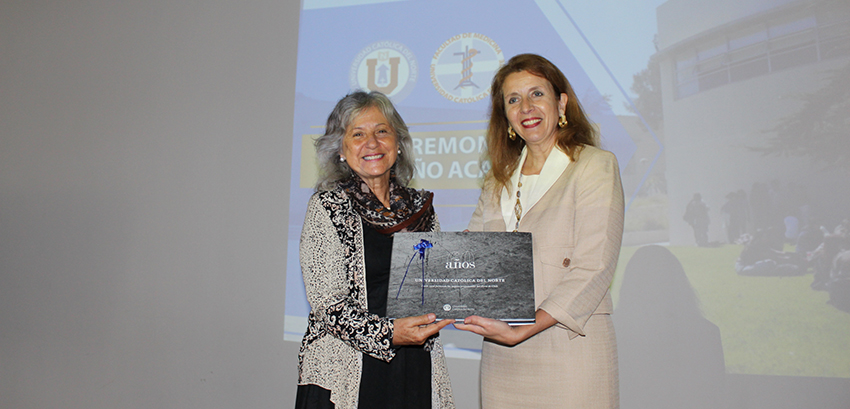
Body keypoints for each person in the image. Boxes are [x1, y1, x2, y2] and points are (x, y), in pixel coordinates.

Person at [454, 53, 624, 408]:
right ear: (505, 116)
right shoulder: (496, 180)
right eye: (513, 100)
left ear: (561, 103)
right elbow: (473, 254)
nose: (526, 107)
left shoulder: (594, 165)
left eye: (537, 94)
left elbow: (595, 266)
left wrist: (524, 328)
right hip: (503, 358)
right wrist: (435, 276)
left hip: (570, 347)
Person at [295, 91, 455, 409]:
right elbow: (328, 306)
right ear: (341, 149)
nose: (372, 143)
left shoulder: (421, 208)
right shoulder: (328, 207)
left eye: (382, 131)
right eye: (358, 134)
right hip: (348, 371)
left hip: (414, 367)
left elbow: (436, 288)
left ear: (398, 143)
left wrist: (463, 263)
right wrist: (389, 333)